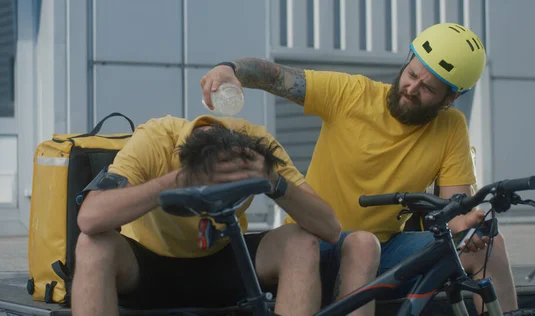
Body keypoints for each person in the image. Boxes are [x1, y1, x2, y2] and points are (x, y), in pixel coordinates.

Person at [200, 23, 518, 315]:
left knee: (489, 244)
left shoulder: (451, 127)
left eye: (428, 89)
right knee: (363, 244)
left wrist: (470, 223)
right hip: (317, 242)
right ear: (407, 61)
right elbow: (275, 77)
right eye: (412, 74)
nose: (411, 88)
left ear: (451, 98)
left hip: (388, 251)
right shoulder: (351, 94)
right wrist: (231, 70)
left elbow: (454, 210)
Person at [71, 114, 381, 316]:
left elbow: (329, 228)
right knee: (92, 245)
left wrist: (274, 182)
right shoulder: (154, 140)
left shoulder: (255, 145)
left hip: (224, 258)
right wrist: (175, 182)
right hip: (150, 263)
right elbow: (89, 218)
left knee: (301, 242)